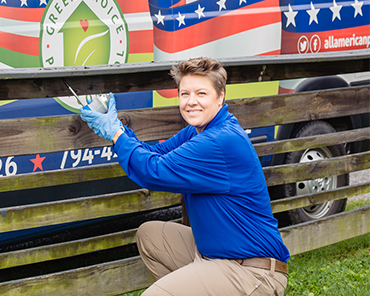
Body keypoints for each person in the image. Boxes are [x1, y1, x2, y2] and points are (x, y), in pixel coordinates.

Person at [80, 57, 289, 296]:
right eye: (184, 94)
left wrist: (116, 133)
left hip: (252, 271)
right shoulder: (198, 131)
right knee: (151, 236)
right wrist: (118, 128)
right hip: (214, 255)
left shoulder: (219, 141)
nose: (191, 102)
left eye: (201, 93)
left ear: (220, 96)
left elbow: (153, 171)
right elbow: (155, 154)